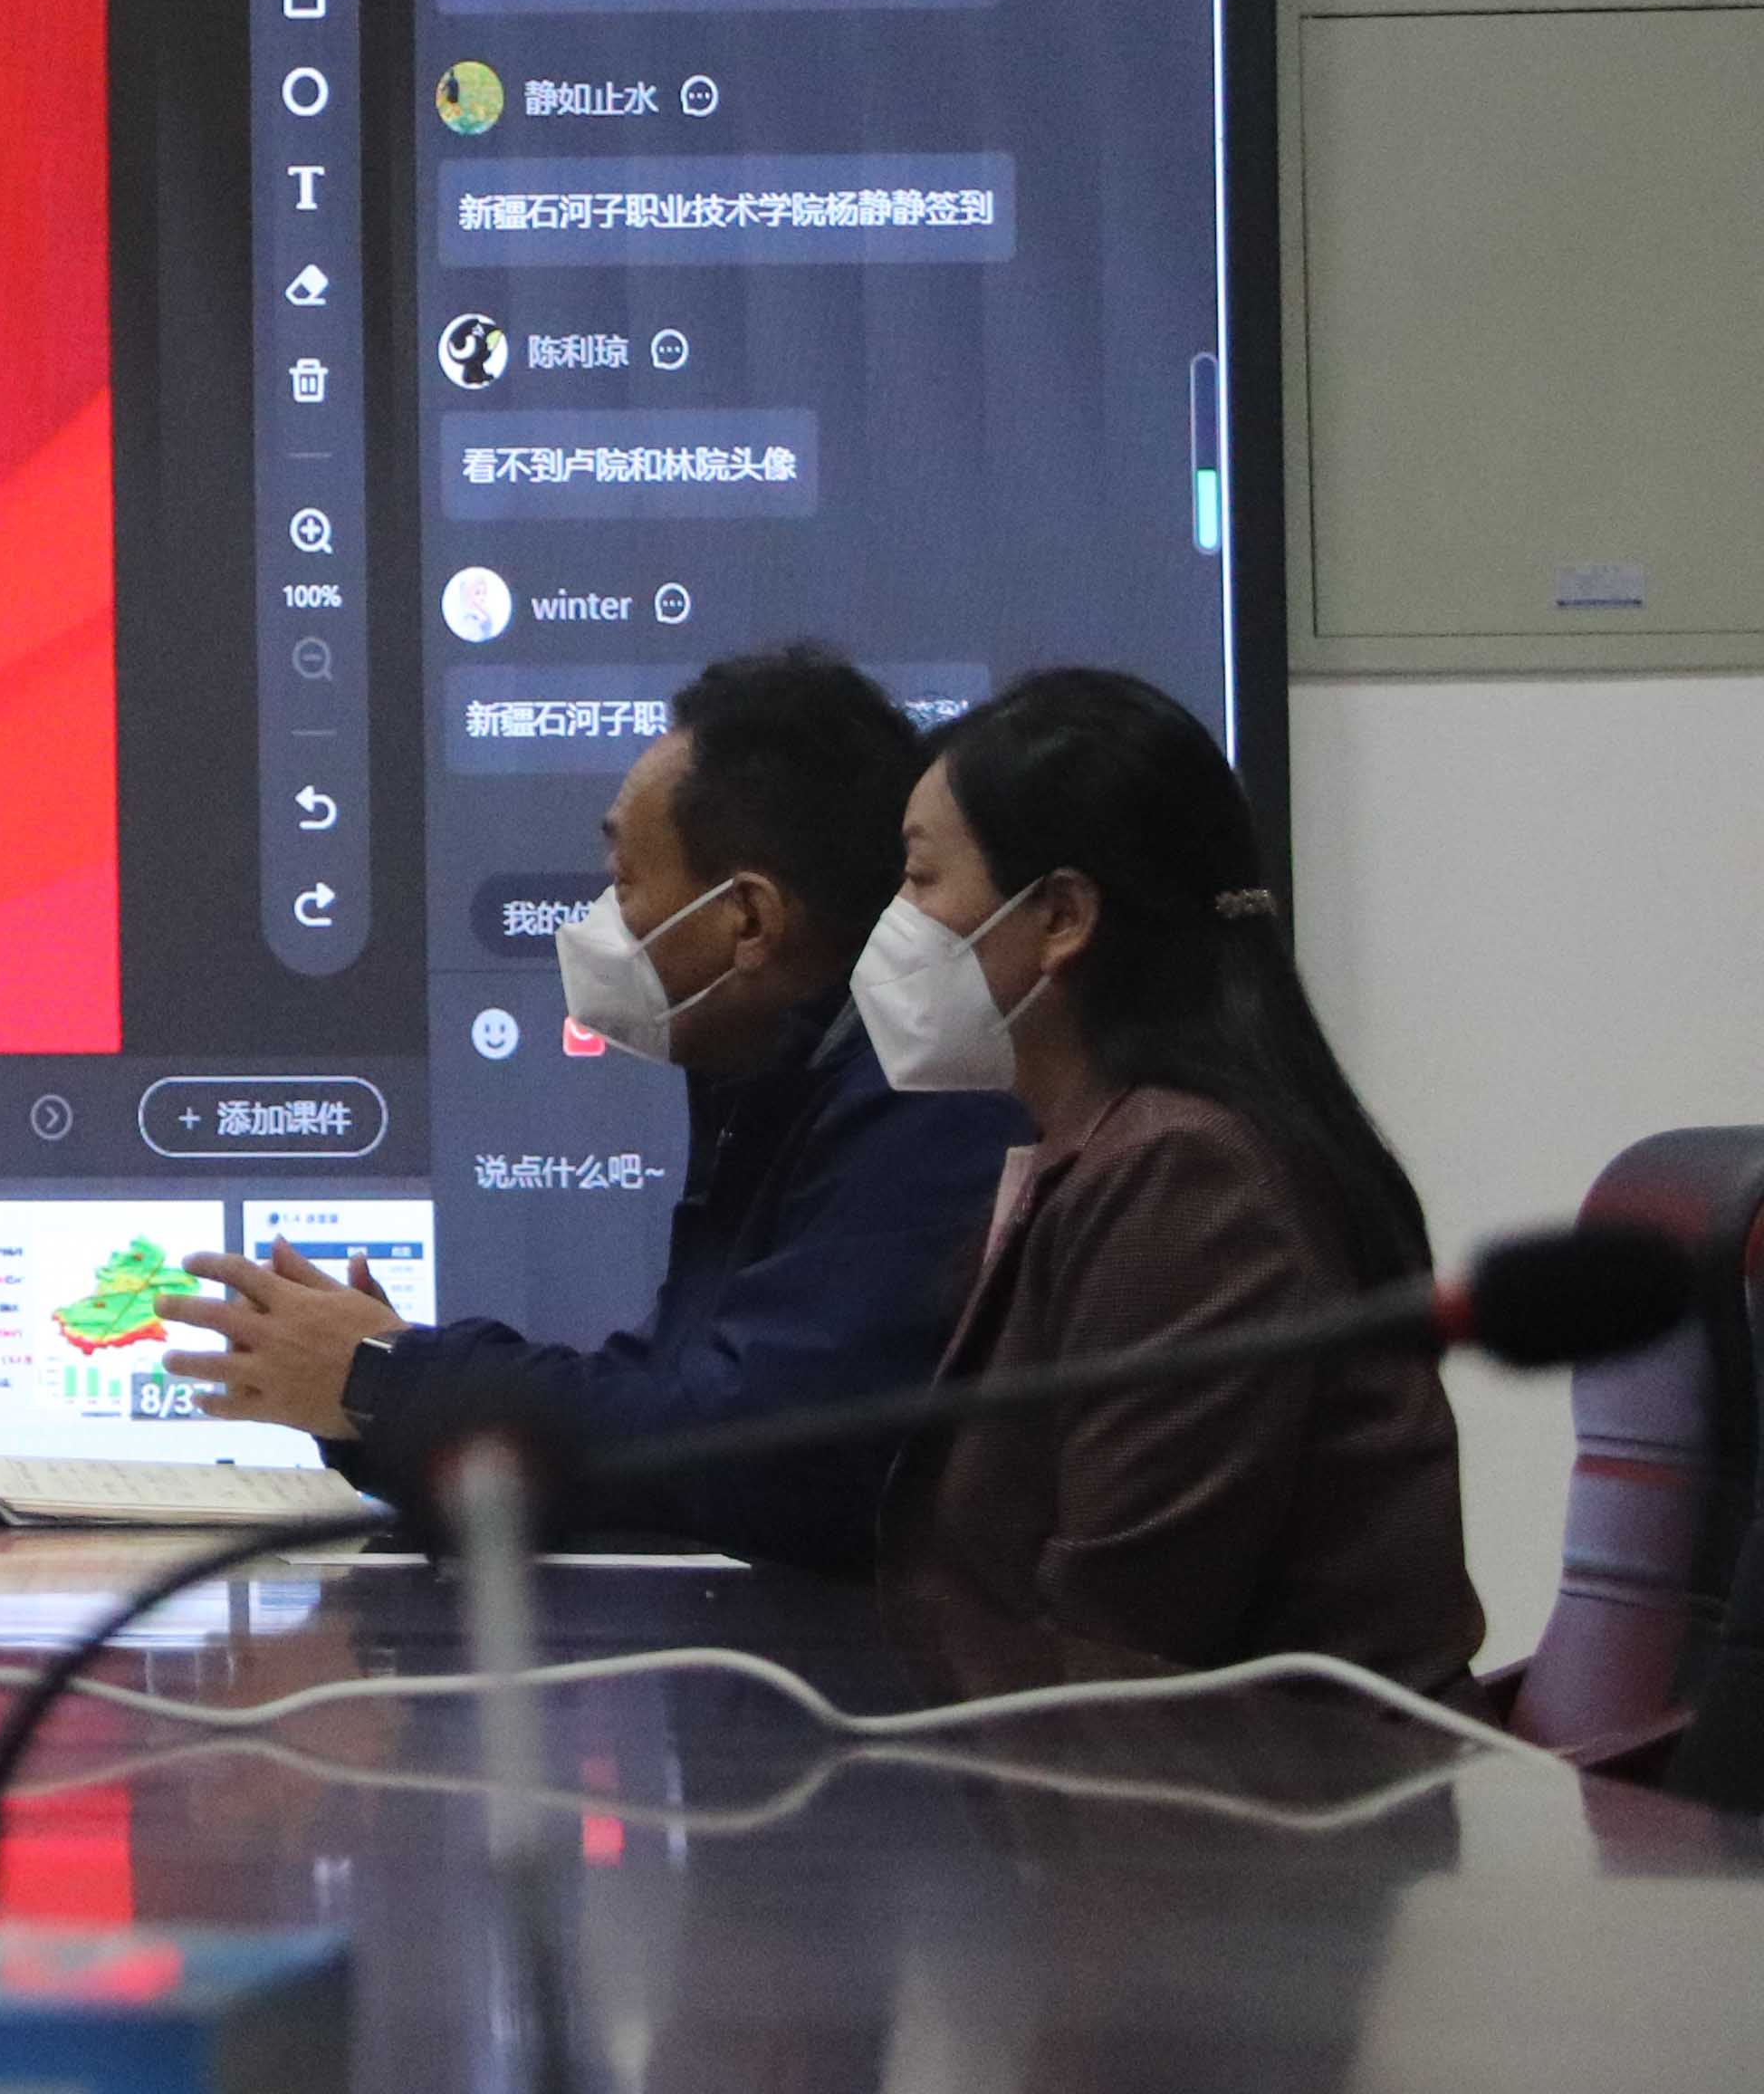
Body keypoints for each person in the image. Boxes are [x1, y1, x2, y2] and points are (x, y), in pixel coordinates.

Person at [161, 646, 1023, 1573]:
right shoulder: (778, 1085)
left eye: (624, 882)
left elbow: (748, 1447)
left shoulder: (926, 1102)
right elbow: (659, 1400)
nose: (595, 923)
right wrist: (376, 1392)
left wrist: (383, 1379)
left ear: (749, 919)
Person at [865, 667, 1479, 1693]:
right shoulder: (1114, 1146)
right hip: (1147, 1779)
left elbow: (1120, 1635)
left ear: (1062, 916)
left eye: (922, 879)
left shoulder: (1187, 1177)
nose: (896, 918)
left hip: (1283, 1792)